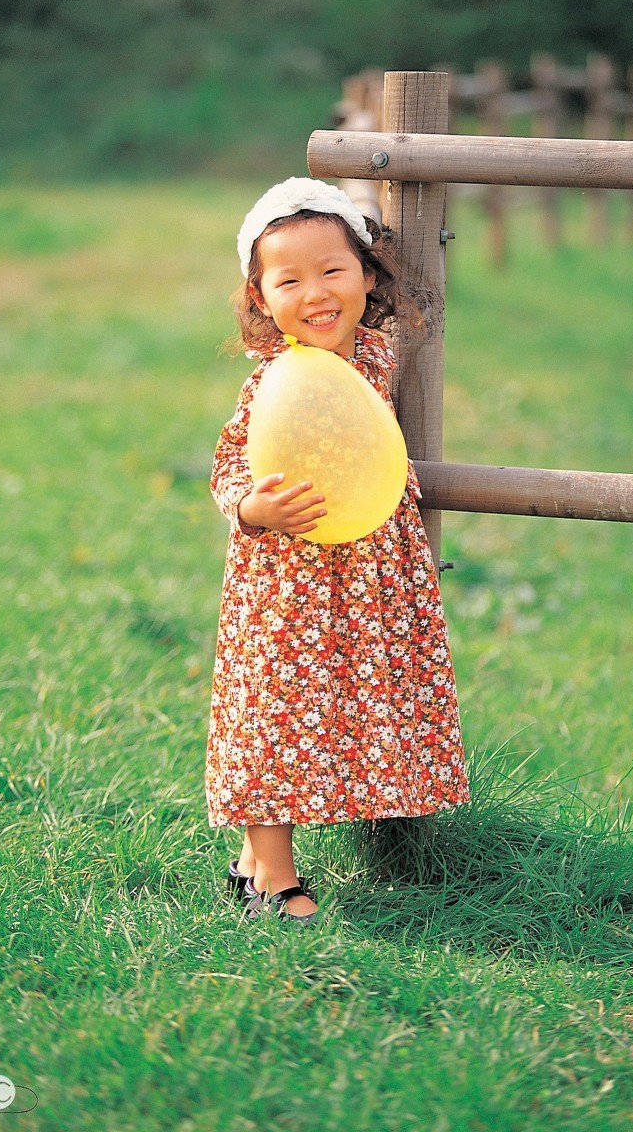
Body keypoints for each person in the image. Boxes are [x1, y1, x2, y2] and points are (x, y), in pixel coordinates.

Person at [206, 177, 471, 924]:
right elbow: (228, 465)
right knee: (276, 715)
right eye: (289, 279)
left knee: (350, 703)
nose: (316, 292)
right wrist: (253, 509)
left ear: (365, 275)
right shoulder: (274, 381)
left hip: (367, 573)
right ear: (259, 298)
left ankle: (253, 859)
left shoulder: (378, 355)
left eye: (333, 270)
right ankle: (274, 879)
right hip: (288, 580)